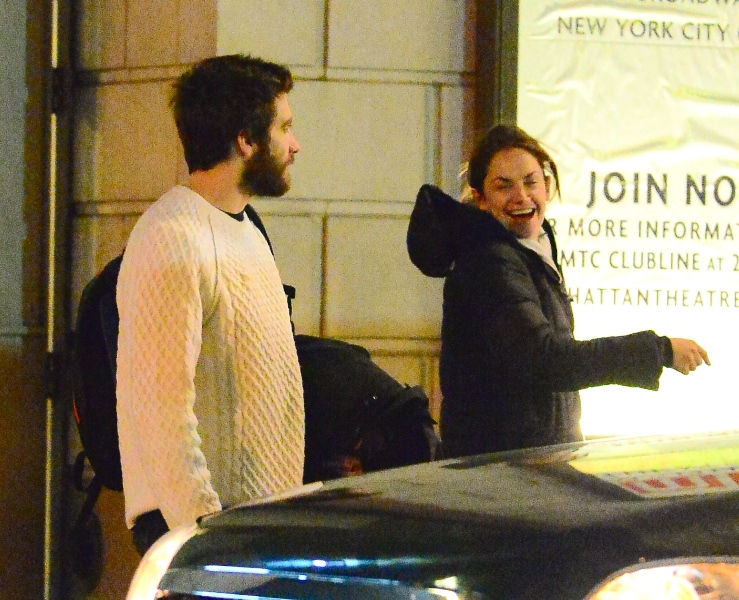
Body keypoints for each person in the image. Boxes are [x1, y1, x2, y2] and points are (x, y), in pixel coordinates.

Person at [407, 124, 710, 458]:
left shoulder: (529, 251)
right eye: (504, 186)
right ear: (481, 199)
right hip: (503, 471)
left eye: (530, 182)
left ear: (547, 186)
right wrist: (658, 350)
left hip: (528, 463)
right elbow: (543, 360)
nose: (521, 196)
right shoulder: (490, 262)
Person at [116, 54, 304, 555]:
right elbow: (162, 410)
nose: (295, 145)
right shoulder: (172, 236)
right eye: (284, 127)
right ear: (246, 140)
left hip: (250, 522)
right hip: (199, 527)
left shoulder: (247, 229)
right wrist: (203, 531)